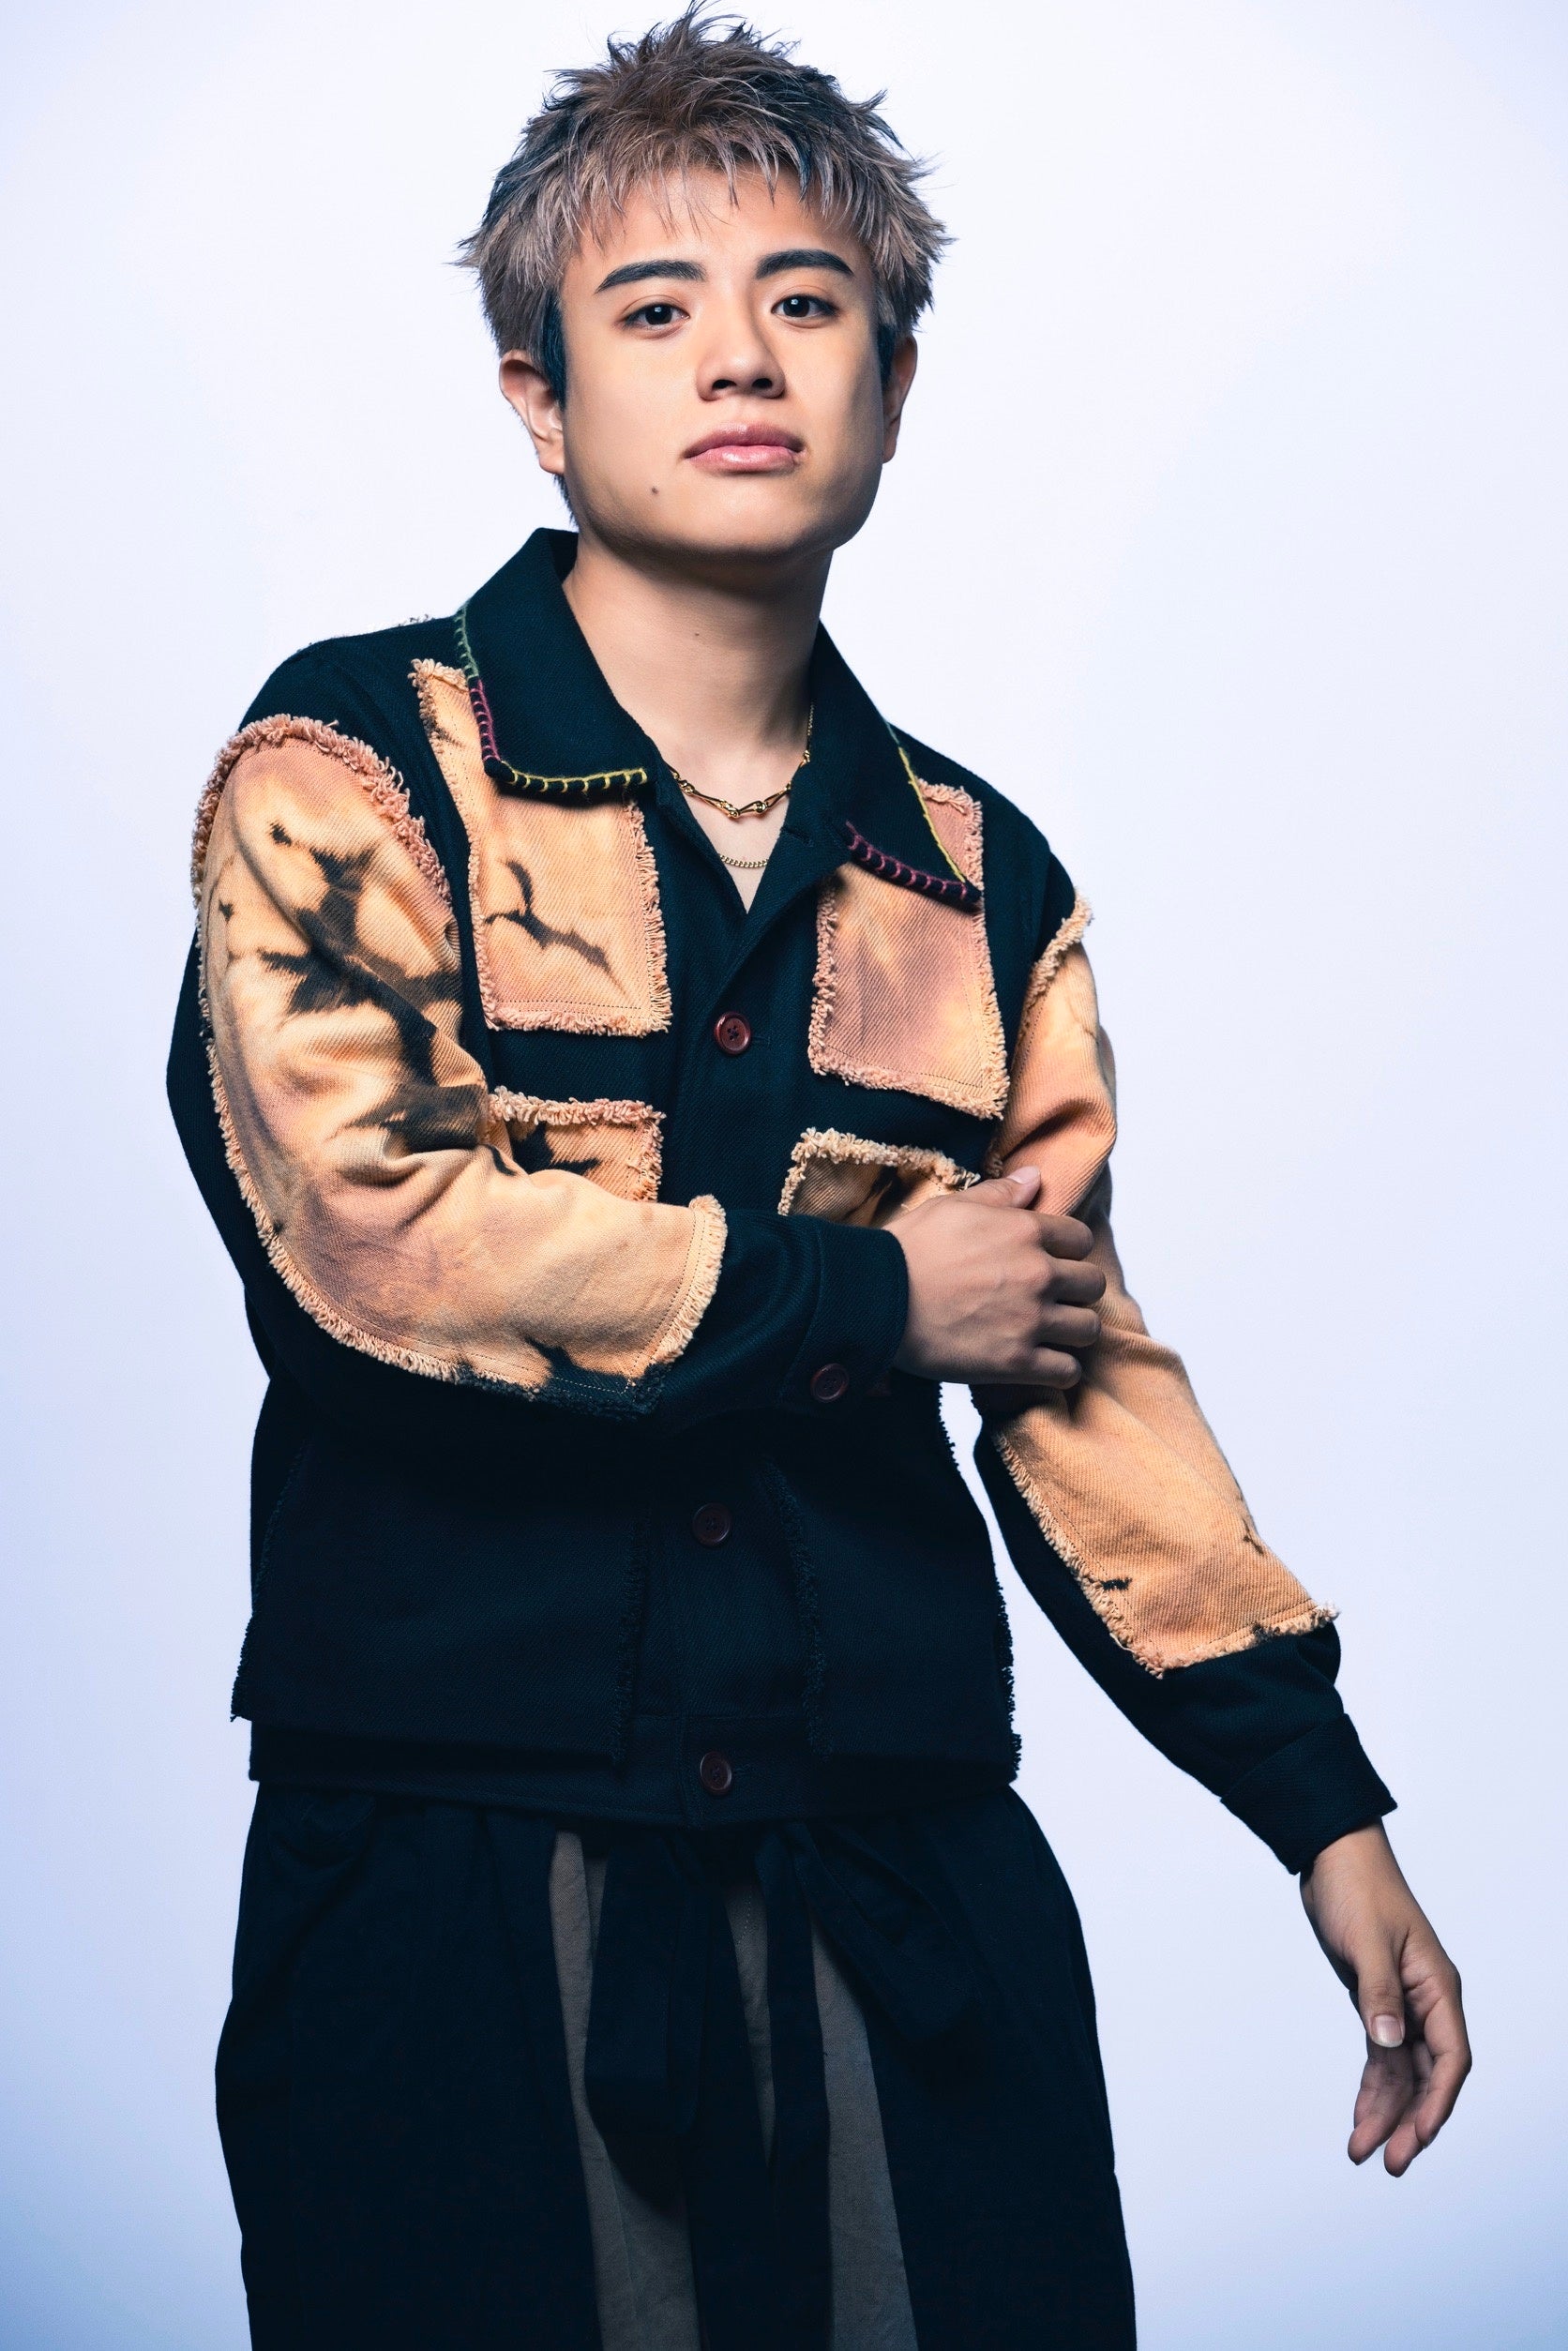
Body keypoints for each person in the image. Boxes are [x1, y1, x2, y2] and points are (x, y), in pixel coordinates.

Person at [167, 12, 1470, 2347]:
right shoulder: (351, 762)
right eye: (652, 308)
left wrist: (1322, 1810)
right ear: (537, 400)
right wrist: (869, 1301)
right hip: (460, 1869)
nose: (739, 356)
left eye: (805, 300)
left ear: (890, 383)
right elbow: (375, 1234)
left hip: (896, 1860)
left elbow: (1073, 1366)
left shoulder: (976, 876)